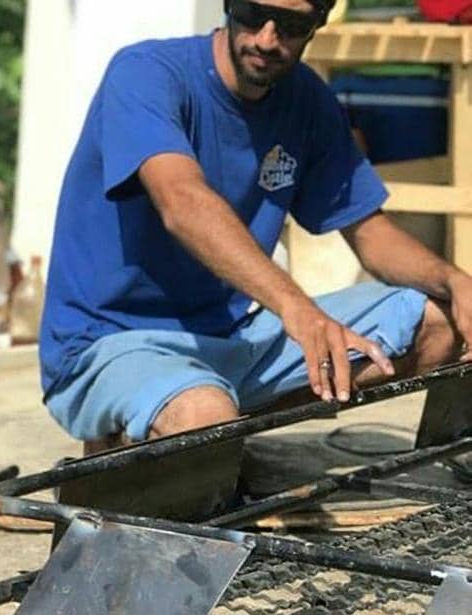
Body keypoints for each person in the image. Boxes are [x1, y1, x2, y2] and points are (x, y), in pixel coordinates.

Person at [40, 0, 472, 453]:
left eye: (290, 25)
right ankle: (165, 426)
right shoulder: (145, 74)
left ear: (316, 25)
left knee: (438, 323)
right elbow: (182, 202)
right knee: (204, 416)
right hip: (108, 342)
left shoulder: (307, 100)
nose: (267, 39)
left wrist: (455, 280)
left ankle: (193, 436)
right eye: (252, 13)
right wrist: (294, 306)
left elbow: (371, 234)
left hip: (231, 339)